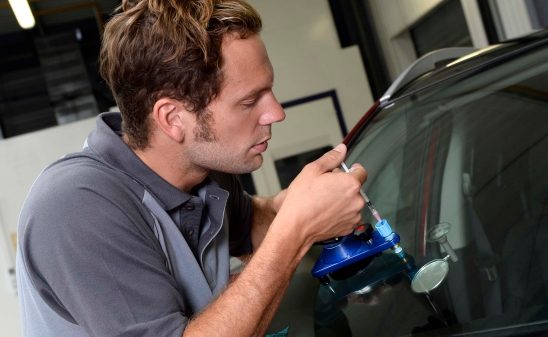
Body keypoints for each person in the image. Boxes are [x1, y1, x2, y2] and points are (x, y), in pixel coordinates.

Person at [16, 0, 367, 336]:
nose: (276, 113)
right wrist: (297, 229)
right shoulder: (76, 208)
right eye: (249, 101)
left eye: (269, 91)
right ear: (172, 119)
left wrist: (300, 207)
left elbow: (249, 228)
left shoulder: (205, 169)